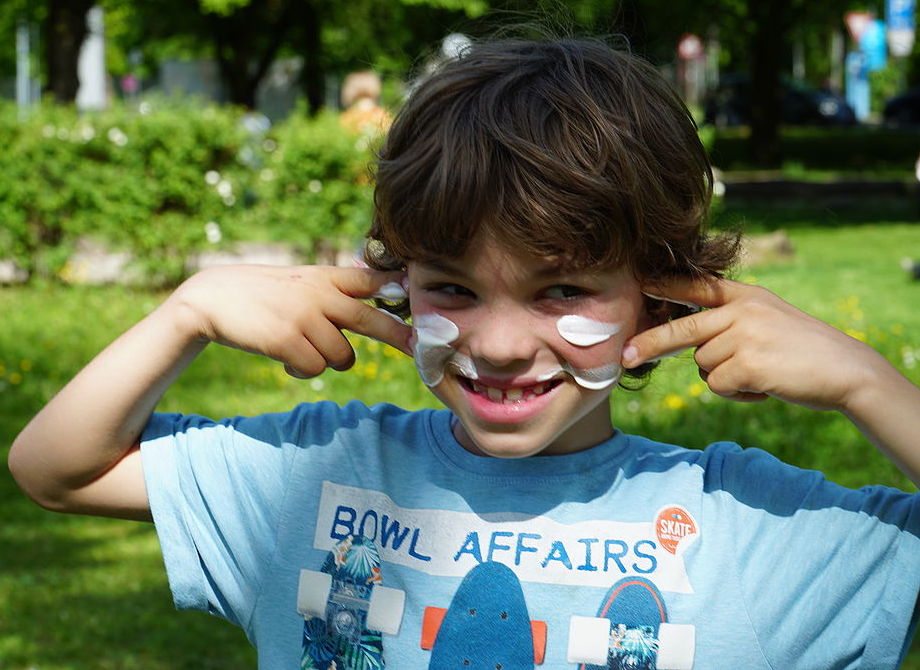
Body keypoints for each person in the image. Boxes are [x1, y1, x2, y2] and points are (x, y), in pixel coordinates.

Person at [9, 36, 920, 669]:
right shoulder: (323, 479)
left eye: (561, 290)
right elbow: (56, 469)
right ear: (401, 276)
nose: (496, 345)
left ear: (659, 287)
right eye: (453, 287)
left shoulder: (744, 528)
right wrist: (189, 313)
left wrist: (865, 384)